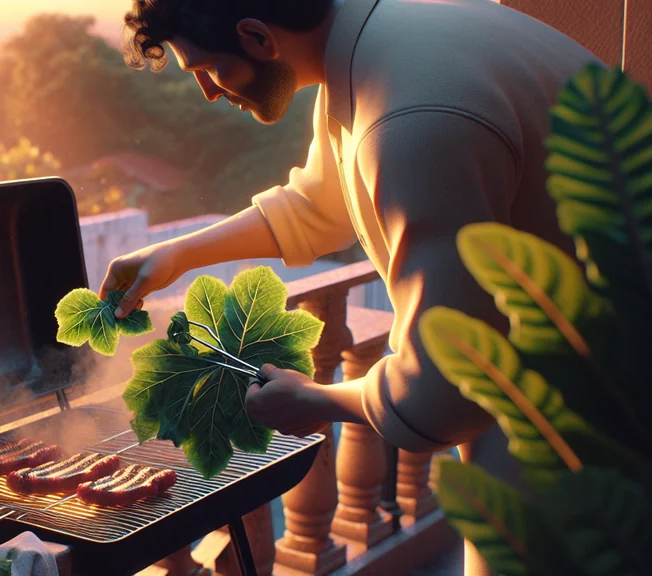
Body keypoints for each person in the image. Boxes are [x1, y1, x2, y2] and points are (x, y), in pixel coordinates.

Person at [101, 1, 600, 573]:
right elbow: (324, 203)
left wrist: (315, 399)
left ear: (258, 38)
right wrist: (178, 253)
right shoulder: (382, 43)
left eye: (205, 69)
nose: (210, 93)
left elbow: (443, 395)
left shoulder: (413, 113)